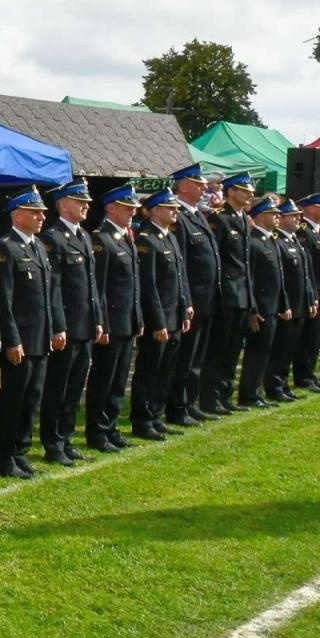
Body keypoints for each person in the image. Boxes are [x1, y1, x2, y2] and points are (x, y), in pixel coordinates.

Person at [0, 187, 54, 478]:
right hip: (21, 339)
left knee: (31, 399)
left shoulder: (38, 246)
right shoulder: (6, 248)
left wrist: (53, 329)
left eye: (42, 213)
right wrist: (11, 340)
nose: (41, 217)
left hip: (40, 337)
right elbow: (4, 300)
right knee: (13, 400)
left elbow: (47, 295)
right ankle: (4, 457)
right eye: (35, 212)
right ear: (17, 215)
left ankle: (20, 451)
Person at [38, 180, 101, 467]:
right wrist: (58, 326)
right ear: (63, 205)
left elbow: (91, 285)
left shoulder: (84, 236)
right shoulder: (54, 238)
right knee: (58, 388)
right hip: (67, 326)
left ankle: (66, 438)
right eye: (80, 202)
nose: (86, 206)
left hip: (85, 324)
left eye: (86, 202)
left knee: (75, 388)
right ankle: (53, 443)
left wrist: (97, 318)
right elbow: (54, 288)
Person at [85, 183, 142, 452]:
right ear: (111, 208)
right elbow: (99, 287)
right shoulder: (102, 239)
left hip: (126, 320)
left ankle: (111, 427)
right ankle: (97, 431)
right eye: (127, 208)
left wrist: (137, 318)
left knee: (119, 380)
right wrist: (102, 322)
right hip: (111, 322)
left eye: (133, 208)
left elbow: (133, 285)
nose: (132, 213)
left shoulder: (125, 238)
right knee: (104, 380)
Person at [130, 190, 191, 440]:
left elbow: (180, 277)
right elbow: (149, 285)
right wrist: (157, 322)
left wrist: (185, 307)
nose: (175, 212)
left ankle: (156, 414)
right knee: (149, 370)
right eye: (170, 208)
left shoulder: (170, 237)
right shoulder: (147, 240)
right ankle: (142, 420)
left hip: (174, 315)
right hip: (160, 319)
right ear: (155, 211)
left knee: (166, 370)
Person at [166, 165, 219, 427]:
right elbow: (182, 264)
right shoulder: (178, 218)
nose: (204, 188)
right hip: (193, 299)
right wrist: (186, 300)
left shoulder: (197, 215)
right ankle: (177, 407)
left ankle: (190, 402)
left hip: (207, 298)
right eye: (198, 184)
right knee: (184, 358)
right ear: (184, 186)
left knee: (197, 357)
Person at [203, 171, 256, 415]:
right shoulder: (220, 218)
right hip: (226, 293)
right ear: (231, 191)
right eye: (245, 191)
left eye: (251, 192)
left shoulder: (244, 218)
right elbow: (218, 260)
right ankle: (210, 398)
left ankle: (224, 395)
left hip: (243, 293)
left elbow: (245, 261)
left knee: (233, 349)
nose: (249, 196)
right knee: (219, 349)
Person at [238, 197, 290, 408]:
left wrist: (284, 303)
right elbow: (249, 278)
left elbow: (279, 276)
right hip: (261, 307)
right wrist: (253, 308)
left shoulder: (270, 239)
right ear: (260, 216)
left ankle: (256, 391)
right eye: (273, 214)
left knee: (266, 351)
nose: (278, 216)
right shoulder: (253, 241)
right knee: (256, 353)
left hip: (273, 305)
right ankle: (249, 394)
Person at [266, 201, 317, 402]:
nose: (298, 218)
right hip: (287, 305)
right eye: (292, 216)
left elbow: (306, 274)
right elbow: (281, 279)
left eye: (298, 215)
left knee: (290, 348)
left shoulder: (294, 240)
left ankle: (283, 383)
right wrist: (284, 304)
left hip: (300, 303)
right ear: (282, 219)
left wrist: (311, 298)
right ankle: (275, 386)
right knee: (280, 349)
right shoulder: (278, 241)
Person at [292, 193, 320, 393]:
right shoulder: (304, 232)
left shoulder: (318, 232)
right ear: (310, 209)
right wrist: (313, 296)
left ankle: (309, 374)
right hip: (313, 295)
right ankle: (303, 376)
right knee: (307, 339)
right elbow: (306, 269)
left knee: (315, 339)